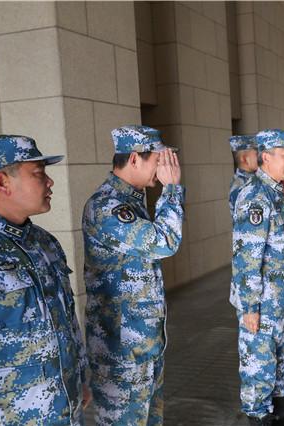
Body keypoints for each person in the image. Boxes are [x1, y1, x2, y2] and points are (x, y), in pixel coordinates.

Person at [0, 135, 89, 425]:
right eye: (39, 174)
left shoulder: (45, 243)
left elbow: (67, 318)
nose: (50, 183)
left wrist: (80, 375)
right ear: (2, 183)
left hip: (65, 409)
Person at [82, 125, 184, 425]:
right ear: (135, 159)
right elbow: (165, 243)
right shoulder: (107, 207)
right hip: (120, 352)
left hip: (142, 345)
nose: (163, 168)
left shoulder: (131, 201)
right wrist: (173, 190)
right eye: (158, 160)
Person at [231, 129, 284, 425]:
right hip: (261, 298)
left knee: (279, 351)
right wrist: (250, 307)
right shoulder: (255, 196)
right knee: (258, 359)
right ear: (266, 157)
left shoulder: (274, 191)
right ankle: (259, 416)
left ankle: (281, 405)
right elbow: (247, 259)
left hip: (277, 295)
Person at [229, 134, 258, 217]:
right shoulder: (240, 185)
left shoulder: (252, 179)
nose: (259, 158)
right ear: (244, 159)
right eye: (256, 154)